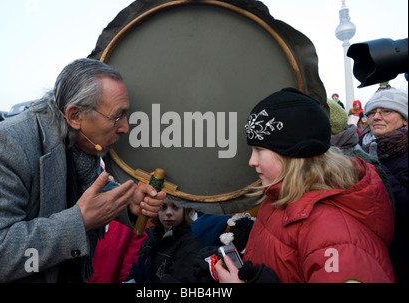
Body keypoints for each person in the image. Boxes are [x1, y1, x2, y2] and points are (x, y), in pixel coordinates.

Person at [0, 58, 166, 282]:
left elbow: (87, 185)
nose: (125, 127)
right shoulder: (0, 145)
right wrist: (79, 222)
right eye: (117, 116)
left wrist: (129, 204)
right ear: (75, 116)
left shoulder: (79, 146)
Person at [215, 88, 395, 283]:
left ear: (293, 154)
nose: (252, 161)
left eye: (259, 150)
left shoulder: (335, 236)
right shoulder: (281, 200)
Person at [359, 87, 408, 283]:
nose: (376, 117)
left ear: (405, 118)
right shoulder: (363, 147)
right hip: (375, 254)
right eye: (372, 112)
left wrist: (378, 169)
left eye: (386, 111)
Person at [126, 197, 202, 283]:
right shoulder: (149, 235)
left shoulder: (190, 244)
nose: (169, 213)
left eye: (176, 206)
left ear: (185, 210)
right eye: (163, 206)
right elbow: (134, 268)